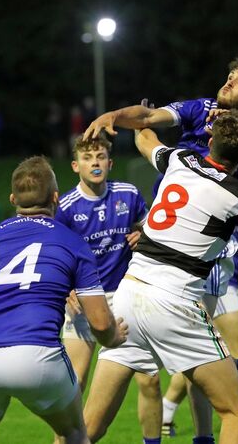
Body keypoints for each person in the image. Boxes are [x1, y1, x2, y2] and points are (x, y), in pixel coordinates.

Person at [84, 52, 238, 439]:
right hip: (182, 268)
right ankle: (230, 389)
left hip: (157, 268)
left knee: (91, 425)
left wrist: (235, 129)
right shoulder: (204, 119)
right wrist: (116, 115)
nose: (230, 81)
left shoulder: (183, 156)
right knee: (230, 398)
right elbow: (146, 119)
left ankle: (210, 415)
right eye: (230, 75)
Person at [0, 156, 127, 444]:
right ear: (56, 197)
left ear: (12, 199)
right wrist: (113, 337)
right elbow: (100, 322)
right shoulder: (72, 242)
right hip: (37, 355)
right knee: (73, 432)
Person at [54, 134, 162, 443]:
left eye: (100, 156)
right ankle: (64, 439)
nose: (95, 163)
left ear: (110, 162)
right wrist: (65, 289)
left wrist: (143, 235)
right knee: (74, 384)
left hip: (125, 297)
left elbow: (152, 229)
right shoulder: (66, 207)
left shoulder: (127, 195)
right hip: (83, 301)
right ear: (76, 166)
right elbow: (54, 254)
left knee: (150, 381)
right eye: (88, 158)